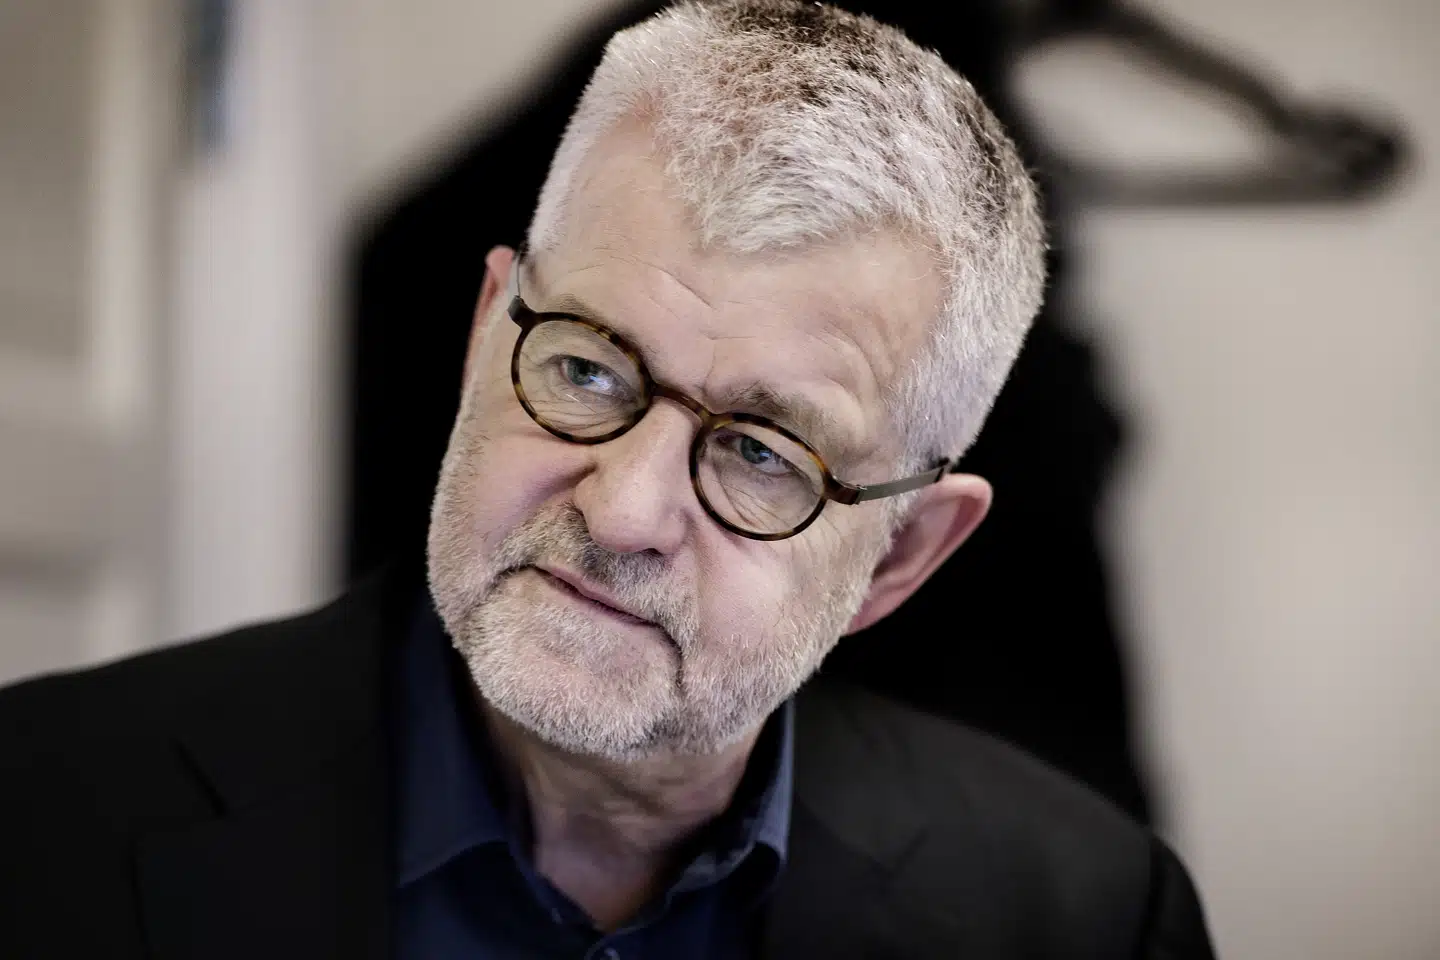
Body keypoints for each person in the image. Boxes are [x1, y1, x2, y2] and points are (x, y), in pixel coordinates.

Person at [0, 2, 1215, 957]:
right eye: (585, 370)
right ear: (486, 334)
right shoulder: (36, 809)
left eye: (759, 452)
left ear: (900, 554)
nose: (622, 511)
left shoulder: (1089, 916)